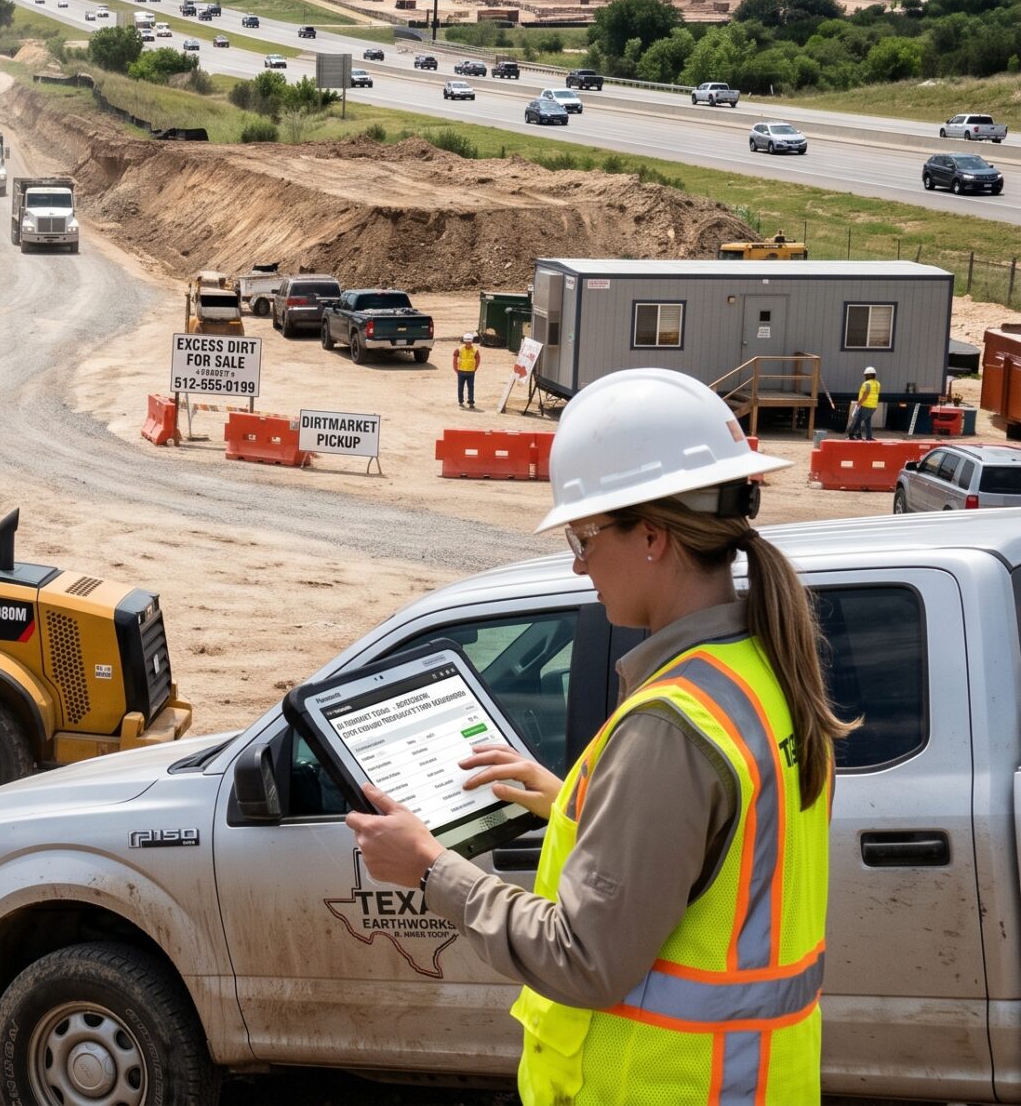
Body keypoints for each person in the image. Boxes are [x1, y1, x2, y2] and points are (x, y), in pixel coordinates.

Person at [347, 367, 846, 1105]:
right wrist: (575, 802)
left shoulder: (669, 728)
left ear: (651, 536)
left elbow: (583, 957)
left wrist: (427, 866)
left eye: (584, 536)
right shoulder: (763, 673)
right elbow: (710, 850)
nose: (578, 564)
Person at [848, 366, 881, 440]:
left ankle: (851, 435)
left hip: (865, 405)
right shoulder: (877, 384)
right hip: (873, 407)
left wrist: (858, 404)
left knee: (857, 420)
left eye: (865, 375)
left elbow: (865, 396)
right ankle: (869, 437)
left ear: (868, 375)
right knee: (867, 421)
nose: (865, 377)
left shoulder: (866, 384)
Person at [453, 333, 481, 410]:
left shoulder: (475, 350)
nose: (468, 344)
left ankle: (471, 402)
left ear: (471, 342)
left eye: (469, 342)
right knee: (460, 387)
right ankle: (460, 401)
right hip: (461, 371)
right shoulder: (459, 349)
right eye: (466, 342)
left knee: (471, 387)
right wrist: (456, 369)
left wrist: (475, 368)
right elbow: (455, 359)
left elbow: (478, 359)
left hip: (470, 372)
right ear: (464, 342)